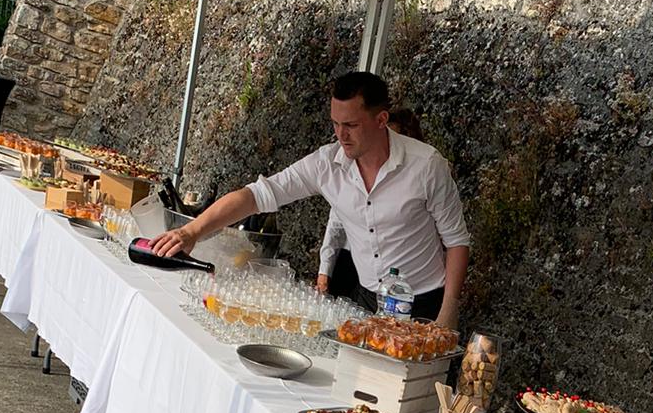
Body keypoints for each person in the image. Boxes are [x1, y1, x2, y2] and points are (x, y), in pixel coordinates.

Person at [150, 73, 469, 329]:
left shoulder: (427, 165)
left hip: (426, 302)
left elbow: (456, 241)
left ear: (381, 119)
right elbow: (255, 196)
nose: (341, 135)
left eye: (351, 125)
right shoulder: (326, 163)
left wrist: (448, 311)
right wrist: (191, 232)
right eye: (335, 124)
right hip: (366, 299)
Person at [317, 108, 424, 304]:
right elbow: (335, 224)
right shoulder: (354, 173)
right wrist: (325, 270)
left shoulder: (420, 179)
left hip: (403, 279)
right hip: (351, 265)